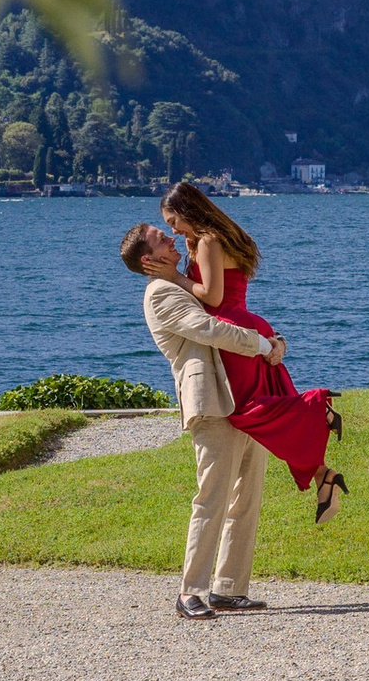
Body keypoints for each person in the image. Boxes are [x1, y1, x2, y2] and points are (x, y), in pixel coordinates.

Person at [120, 215, 281, 622]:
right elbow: (209, 328)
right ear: (148, 260)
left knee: (247, 496)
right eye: (161, 238)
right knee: (211, 498)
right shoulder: (160, 294)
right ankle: (190, 591)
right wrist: (262, 345)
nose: (172, 238)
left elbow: (224, 307)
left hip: (240, 396)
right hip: (210, 402)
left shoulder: (176, 282)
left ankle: (228, 588)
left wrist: (270, 339)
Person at [164, 178, 346, 523]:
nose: (172, 230)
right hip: (248, 323)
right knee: (271, 398)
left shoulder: (207, 241)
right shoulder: (222, 236)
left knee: (243, 411)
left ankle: (316, 406)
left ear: (187, 212)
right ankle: (324, 475)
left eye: (173, 222)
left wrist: (176, 277)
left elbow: (213, 297)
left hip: (233, 332)